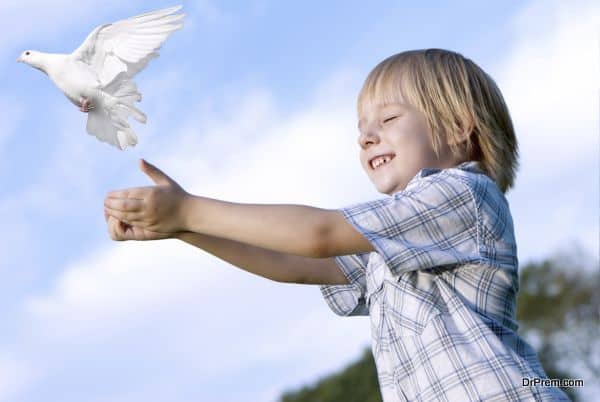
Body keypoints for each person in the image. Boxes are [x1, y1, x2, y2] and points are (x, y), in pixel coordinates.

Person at [103, 48, 570, 401]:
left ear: (458, 128)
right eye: (362, 127)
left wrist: (189, 209)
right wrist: (184, 229)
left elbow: (317, 235)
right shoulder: (395, 243)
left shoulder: (463, 193)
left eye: (388, 118)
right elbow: (295, 262)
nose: (367, 136)